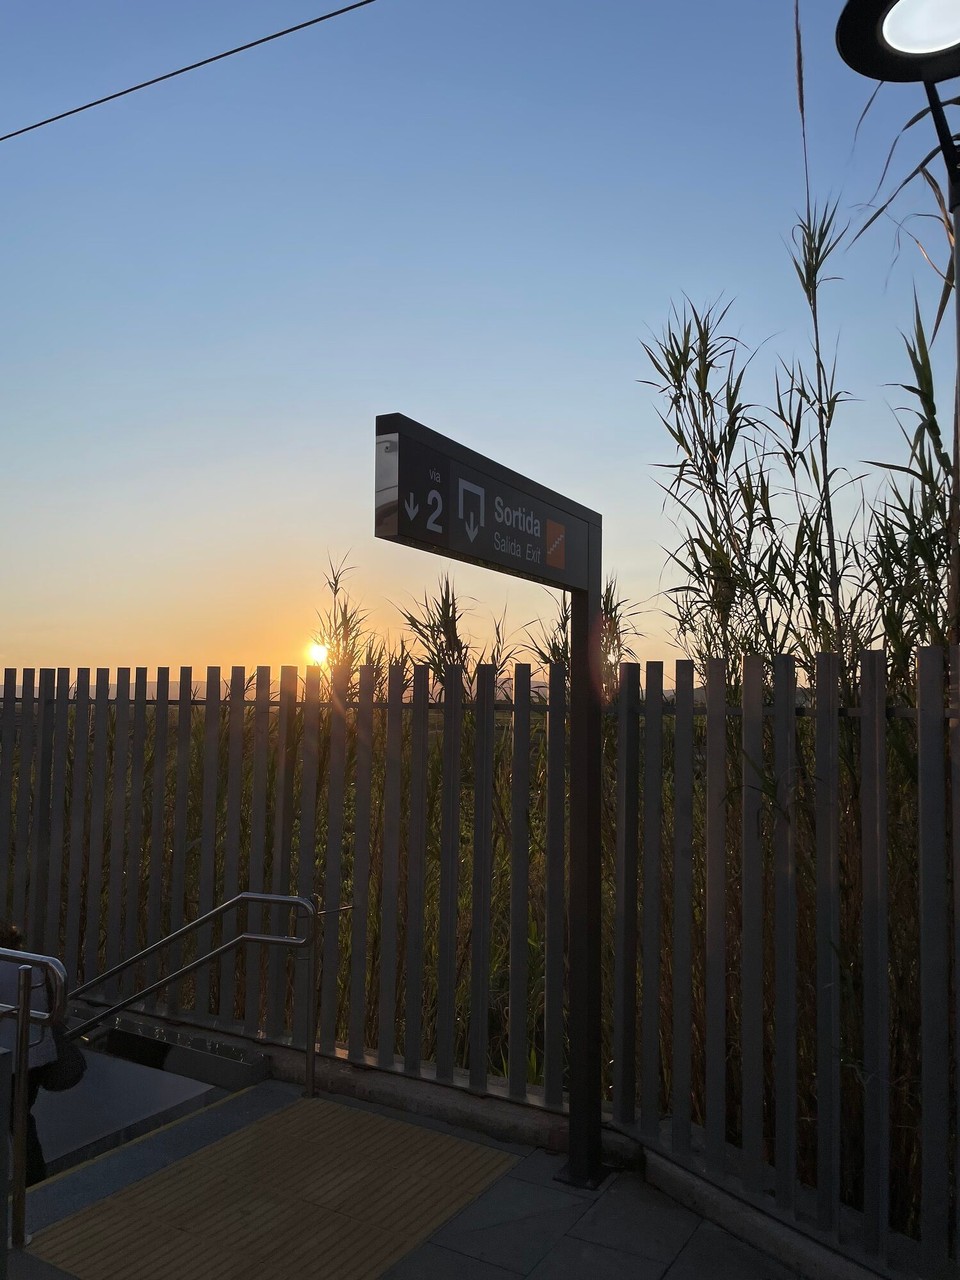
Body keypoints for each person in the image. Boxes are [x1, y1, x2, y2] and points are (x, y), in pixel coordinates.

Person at [0, 922, 56, 1185]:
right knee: (21, 1118)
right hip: (36, 1055)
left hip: (7, 1059)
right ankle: (34, 1180)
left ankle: (24, 1182)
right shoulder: (35, 966)